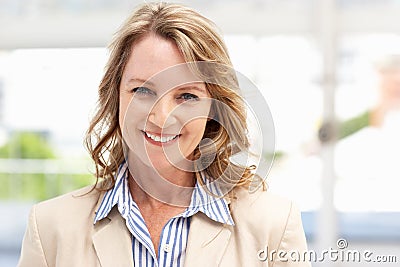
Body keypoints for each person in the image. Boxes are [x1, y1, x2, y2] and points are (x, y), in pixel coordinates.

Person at [18, 2, 310, 266]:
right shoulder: (49, 229)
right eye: (142, 90)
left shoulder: (275, 226)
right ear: (115, 96)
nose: (161, 117)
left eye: (186, 96)